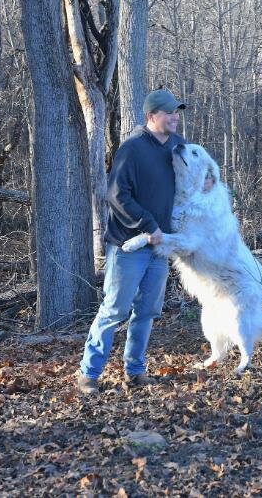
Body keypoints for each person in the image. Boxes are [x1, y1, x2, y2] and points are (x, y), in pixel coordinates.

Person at [77, 89, 186, 395]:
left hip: (161, 246)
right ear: (152, 116)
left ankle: (135, 372)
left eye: (176, 111)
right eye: (168, 112)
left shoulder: (178, 146)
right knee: (115, 309)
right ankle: (89, 373)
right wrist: (148, 224)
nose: (175, 117)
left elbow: (193, 174)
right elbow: (115, 195)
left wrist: (207, 180)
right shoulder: (132, 149)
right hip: (129, 245)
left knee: (147, 311)